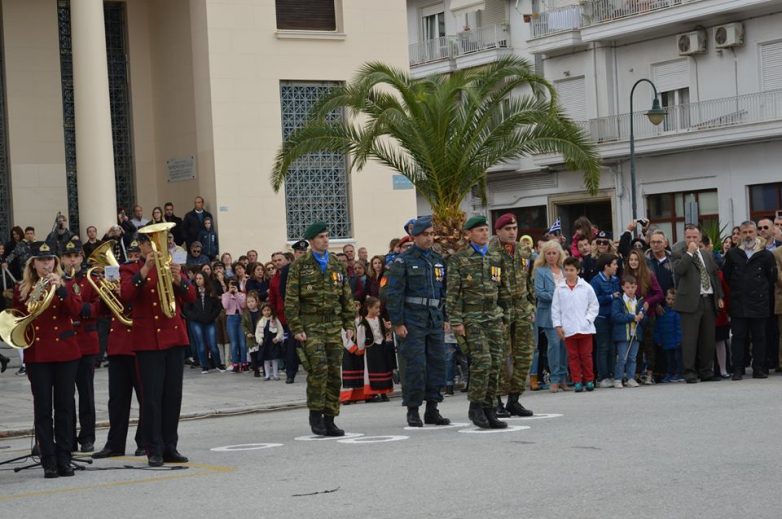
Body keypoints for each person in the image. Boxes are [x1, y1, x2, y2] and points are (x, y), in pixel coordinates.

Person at [120, 230, 195, 467]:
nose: (155, 247)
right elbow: (126, 294)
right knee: (151, 398)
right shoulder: (130, 269)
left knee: (173, 395)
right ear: (141, 247)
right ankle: (154, 448)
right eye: (150, 243)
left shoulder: (172, 266)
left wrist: (179, 280)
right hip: (148, 341)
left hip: (174, 337)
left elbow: (191, 296)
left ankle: (170, 445)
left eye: (159, 242)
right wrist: (144, 270)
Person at [13, 242, 83, 478]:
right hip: (38, 354)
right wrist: (35, 291)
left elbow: (76, 311)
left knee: (64, 407)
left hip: (65, 352)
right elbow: (19, 317)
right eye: (41, 260)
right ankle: (48, 460)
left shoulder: (68, 284)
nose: (46, 264)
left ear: (55, 261)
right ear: (33, 263)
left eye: (50, 259)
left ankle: (64, 457)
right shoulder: (21, 288)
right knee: (43, 408)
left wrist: (61, 289)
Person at [285, 221, 355, 436]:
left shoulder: (335, 263)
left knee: (335, 373)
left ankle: (330, 418)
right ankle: (315, 416)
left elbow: (346, 296)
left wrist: (349, 323)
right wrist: (296, 327)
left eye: (327, 236)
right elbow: (291, 299)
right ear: (311, 240)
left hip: (333, 325)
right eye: (321, 237)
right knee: (318, 371)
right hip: (311, 325)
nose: (326, 240)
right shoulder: (300, 265)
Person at [384, 217, 450, 427]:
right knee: (415, 366)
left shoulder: (438, 260)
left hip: (434, 318)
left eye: (432, 234)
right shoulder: (403, 261)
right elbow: (393, 294)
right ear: (415, 236)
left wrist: (446, 317)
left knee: (436, 364)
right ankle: (413, 409)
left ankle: (433, 408)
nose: (429, 238)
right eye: (425, 234)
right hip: (412, 320)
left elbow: (445, 292)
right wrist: (397, 322)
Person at [446, 215, 511, 429]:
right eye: (479, 230)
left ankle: (490, 408)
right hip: (472, 319)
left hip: (493, 317)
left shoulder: (495, 257)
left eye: (485, 229)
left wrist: (505, 316)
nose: (484, 233)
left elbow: (503, 289)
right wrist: (456, 322)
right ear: (468, 234)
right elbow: (453, 294)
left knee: (495, 364)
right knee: (482, 362)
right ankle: (476, 407)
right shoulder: (459, 259)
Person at [92, 240, 145, 459]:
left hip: (139, 344)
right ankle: (115, 444)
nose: (133, 257)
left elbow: (133, 297)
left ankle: (145, 441)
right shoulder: (120, 274)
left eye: (136, 253)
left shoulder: (140, 275)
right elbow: (102, 310)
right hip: (117, 346)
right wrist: (105, 291)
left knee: (145, 397)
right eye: (130, 254)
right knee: (117, 400)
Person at [489, 213, 535, 417]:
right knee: (500, 357)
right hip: (502, 311)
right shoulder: (491, 254)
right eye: (507, 229)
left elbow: (529, 282)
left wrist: (531, 306)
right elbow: (490, 286)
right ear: (498, 231)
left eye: (514, 228)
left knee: (524, 355)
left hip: (522, 309)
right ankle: (497, 400)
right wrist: (494, 313)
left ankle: (514, 399)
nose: (512, 232)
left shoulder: (524, 251)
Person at [722, 221, 777, 380]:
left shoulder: (766, 255)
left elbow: (771, 276)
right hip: (739, 302)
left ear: (756, 233)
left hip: (759, 303)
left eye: (750, 232)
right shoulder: (733, 254)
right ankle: (738, 369)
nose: (747, 235)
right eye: (744, 232)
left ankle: (758, 368)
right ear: (740, 234)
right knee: (738, 338)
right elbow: (727, 275)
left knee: (760, 337)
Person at [60, 239, 101, 453]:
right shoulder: (57, 280)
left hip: (85, 342)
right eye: (68, 256)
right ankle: (67, 437)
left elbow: (99, 304)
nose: (72, 260)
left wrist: (84, 309)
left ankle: (87, 436)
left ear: (81, 258)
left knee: (86, 393)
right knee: (66, 395)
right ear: (62, 259)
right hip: (66, 343)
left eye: (76, 256)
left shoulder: (90, 279)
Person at [671, 224, 724, 383]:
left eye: (695, 237)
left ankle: (706, 371)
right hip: (689, 302)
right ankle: (689, 372)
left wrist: (719, 296)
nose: (692, 240)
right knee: (690, 340)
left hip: (708, 299)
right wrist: (690, 253)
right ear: (684, 238)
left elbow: (714, 275)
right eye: (689, 237)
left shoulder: (707, 255)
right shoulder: (678, 254)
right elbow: (679, 270)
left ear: (700, 238)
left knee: (708, 339)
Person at [552, 256, 599, 392]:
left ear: (578, 271)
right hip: (569, 329)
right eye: (566, 270)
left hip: (585, 328)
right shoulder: (559, 289)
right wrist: (558, 326)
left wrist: (588, 320)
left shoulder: (586, 287)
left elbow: (594, 305)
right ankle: (577, 380)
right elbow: (556, 309)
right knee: (573, 357)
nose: (568, 272)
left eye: (572, 270)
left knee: (586, 356)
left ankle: (589, 380)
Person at [534, 240, 569, 393]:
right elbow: (539, 292)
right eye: (548, 253)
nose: (551, 256)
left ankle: (563, 378)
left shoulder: (564, 269)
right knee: (554, 345)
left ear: (559, 254)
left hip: (565, 313)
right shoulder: (540, 270)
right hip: (548, 313)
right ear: (544, 254)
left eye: (554, 253)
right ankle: (554, 378)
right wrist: (557, 295)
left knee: (564, 346)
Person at [624, 248, 663, 384]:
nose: (633, 262)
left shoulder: (648, 274)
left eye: (636, 259)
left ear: (640, 260)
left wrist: (648, 302)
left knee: (648, 344)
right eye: (631, 260)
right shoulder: (626, 275)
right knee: (636, 344)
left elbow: (659, 293)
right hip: (632, 316)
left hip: (648, 314)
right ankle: (637, 372)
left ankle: (650, 373)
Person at [183, 271, 224, 373]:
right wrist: (195, 317)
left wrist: (211, 316)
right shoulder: (191, 291)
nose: (198, 281)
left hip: (209, 321)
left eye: (200, 278)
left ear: (205, 279)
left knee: (212, 344)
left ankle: (218, 364)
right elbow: (186, 308)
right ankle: (204, 366)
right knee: (200, 345)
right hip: (196, 322)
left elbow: (218, 306)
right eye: (196, 279)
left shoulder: (211, 291)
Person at [268, 250, 298, 383]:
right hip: (281, 316)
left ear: (286, 260)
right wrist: (273, 315)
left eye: (279, 260)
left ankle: (292, 371)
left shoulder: (292, 274)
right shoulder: (274, 279)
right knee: (287, 345)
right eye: (275, 261)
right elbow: (272, 298)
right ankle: (290, 372)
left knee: (294, 344)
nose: (277, 263)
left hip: (294, 314)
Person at [591, 254, 621, 388]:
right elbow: (593, 300)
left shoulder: (615, 279)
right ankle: (602, 377)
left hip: (613, 317)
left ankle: (612, 374)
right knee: (602, 347)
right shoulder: (596, 280)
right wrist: (610, 297)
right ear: (606, 266)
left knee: (612, 347)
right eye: (614, 264)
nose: (616, 267)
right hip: (601, 318)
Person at [612, 275, 646, 388]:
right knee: (622, 357)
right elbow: (616, 316)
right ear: (623, 288)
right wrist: (632, 317)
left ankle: (630, 378)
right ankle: (618, 378)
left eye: (632, 287)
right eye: (627, 287)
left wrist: (642, 316)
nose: (630, 290)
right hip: (623, 334)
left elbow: (642, 317)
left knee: (632, 357)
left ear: (636, 287)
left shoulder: (639, 301)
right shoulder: (619, 300)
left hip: (635, 334)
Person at [654, 289, 683, 383]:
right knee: (669, 359)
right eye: (668, 299)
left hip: (676, 341)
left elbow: (679, 328)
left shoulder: (678, 312)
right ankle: (670, 373)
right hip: (666, 340)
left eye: (673, 299)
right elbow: (658, 326)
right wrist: (658, 339)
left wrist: (679, 340)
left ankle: (679, 373)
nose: (670, 301)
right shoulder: (662, 312)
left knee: (677, 358)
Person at [222, 279, 247, 372]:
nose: (232, 287)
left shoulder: (242, 295)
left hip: (240, 317)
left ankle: (244, 363)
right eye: (231, 285)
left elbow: (243, 305)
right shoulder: (225, 295)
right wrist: (229, 293)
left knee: (242, 342)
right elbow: (225, 306)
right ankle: (235, 363)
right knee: (234, 342)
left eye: (234, 285)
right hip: (231, 318)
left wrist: (236, 294)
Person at [255, 302, 285, 380]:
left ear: (271, 311)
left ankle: (275, 375)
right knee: (266, 360)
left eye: (268, 310)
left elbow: (280, 330)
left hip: (273, 342)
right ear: (262, 312)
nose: (266, 312)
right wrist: (259, 340)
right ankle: (267, 375)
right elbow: (257, 333)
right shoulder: (260, 321)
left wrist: (277, 338)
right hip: (264, 343)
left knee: (274, 359)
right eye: (264, 310)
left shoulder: (275, 320)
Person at [244, 292, 263, 377]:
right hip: (251, 337)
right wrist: (247, 333)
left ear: (256, 302)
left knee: (261, 353)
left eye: (252, 301)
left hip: (260, 336)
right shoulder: (246, 313)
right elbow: (243, 325)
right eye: (248, 302)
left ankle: (263, 368)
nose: (250, 303)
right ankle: (256, 370)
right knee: (253, 354)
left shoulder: (261, 312)